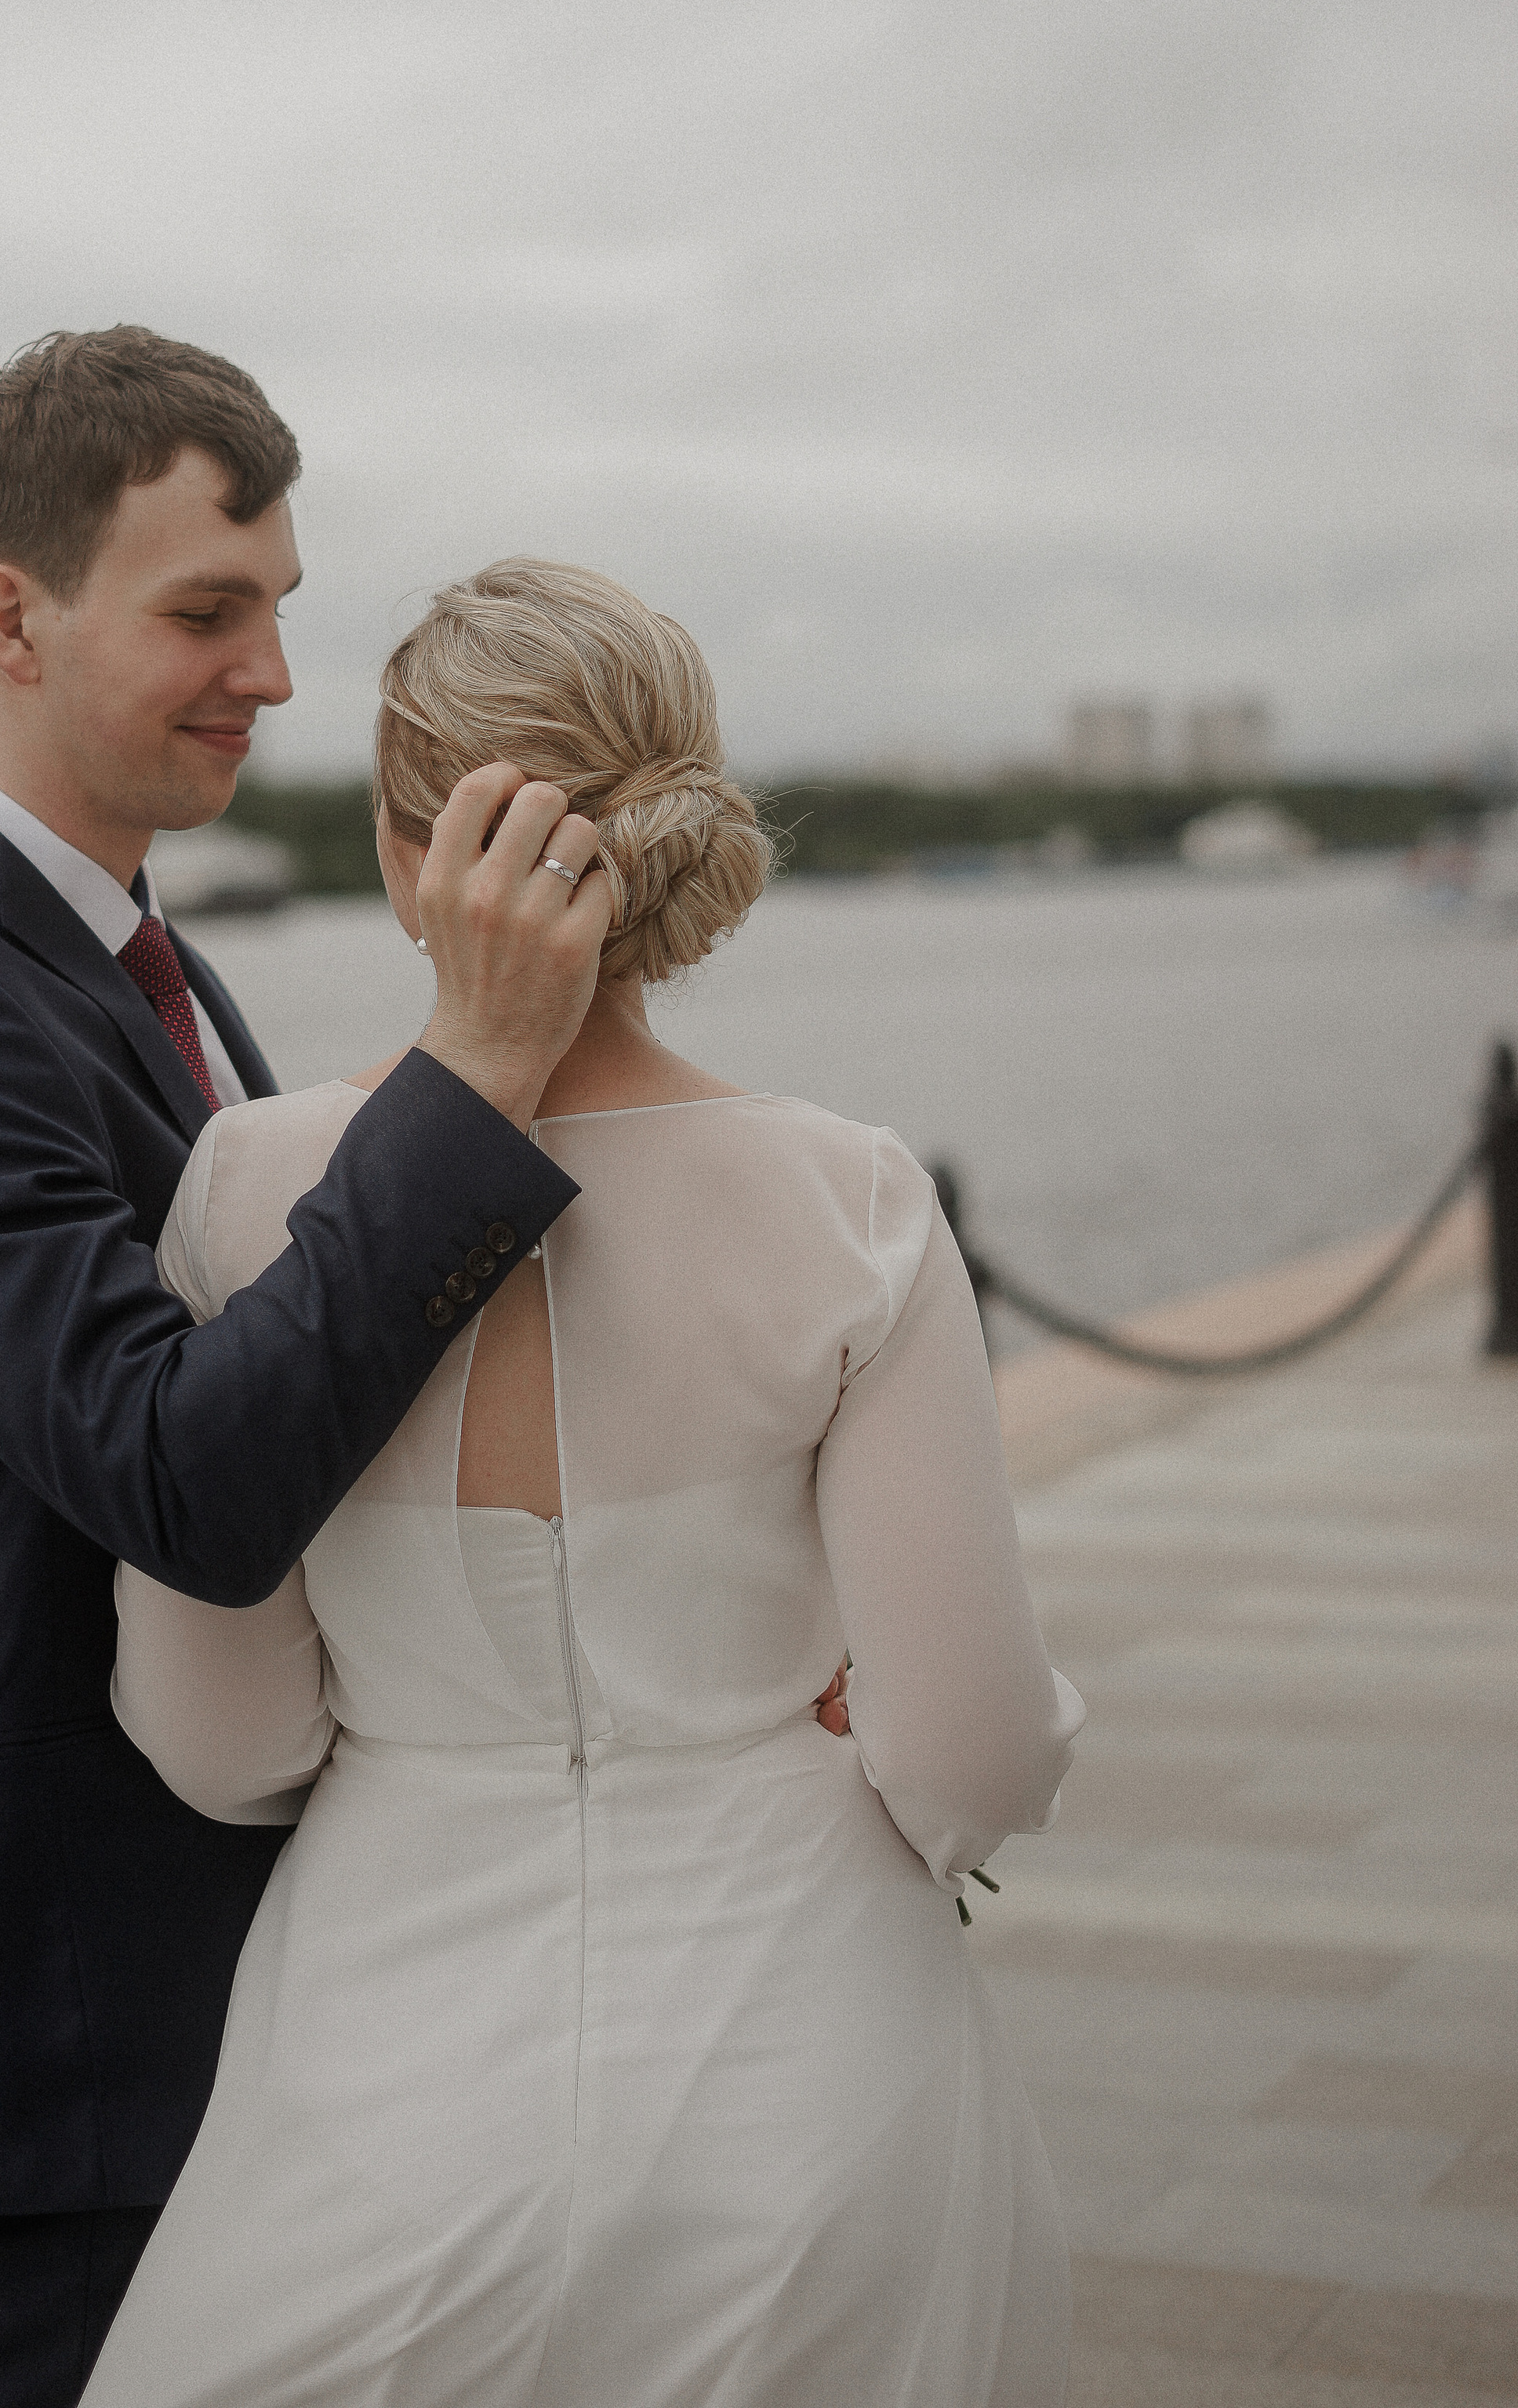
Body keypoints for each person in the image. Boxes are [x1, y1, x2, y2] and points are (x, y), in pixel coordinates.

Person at [0, 332, 623, 2407]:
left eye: (279, 607)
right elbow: (182, 1479)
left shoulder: (127, 964)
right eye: (209, 608)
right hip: (82, 1997)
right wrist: (475, 1070)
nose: (273, 674)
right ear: (10, 615)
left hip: (261, 1950)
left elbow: (323, 1400)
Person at [88, 559, 1086, 2408]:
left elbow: (215, 1742)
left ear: (411, 860)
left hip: (381, 2068)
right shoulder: (848, 1200)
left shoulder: (241, 1188)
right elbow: (969, 1756)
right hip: (814, 2055)